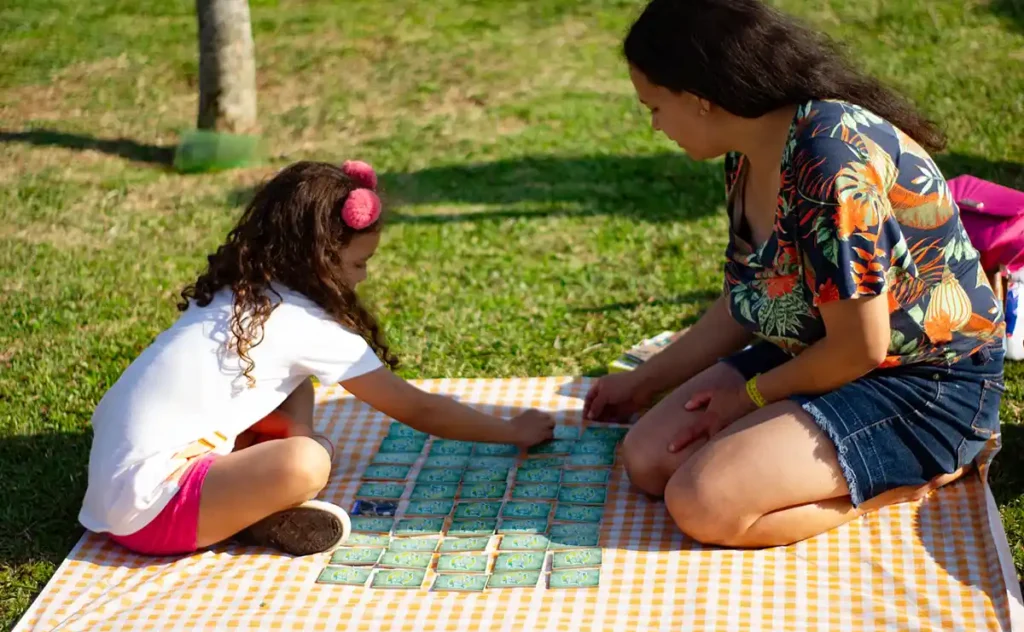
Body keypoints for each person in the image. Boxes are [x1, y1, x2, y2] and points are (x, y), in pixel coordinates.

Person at [584, 0, 1006, 548]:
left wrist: (750, 397)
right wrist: (643, 381)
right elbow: (749, 298)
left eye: (655, 107)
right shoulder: (749, 149)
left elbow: (861, 348)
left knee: (703, 502)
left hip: (924, 382)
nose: (655, 125)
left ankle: (913, 476)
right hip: (815, 350)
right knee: (647, 460)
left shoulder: (829, 162)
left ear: (700, 98)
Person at [79, 160, 555, 557]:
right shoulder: (306, 325)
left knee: (294, 387)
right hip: (153, 515)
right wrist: (512, 430)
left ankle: (246, 506)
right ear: (320, 261)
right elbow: (418, 408)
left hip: (119, 483)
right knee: (307, 462)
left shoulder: (239, 293)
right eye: (358, 264)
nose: (362, 278)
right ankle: (248, 518)